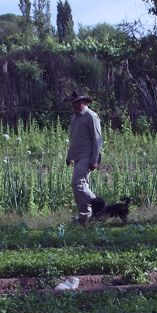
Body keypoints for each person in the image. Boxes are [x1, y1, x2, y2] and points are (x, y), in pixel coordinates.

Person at [65, 91, 102, 224]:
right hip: (78, 156)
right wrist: (69, 156)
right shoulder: (75, 117)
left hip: (88, 156)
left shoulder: (91, 116)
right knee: (79, 187)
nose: (74, 105)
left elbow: (97, 140)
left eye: (76, 103)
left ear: (83, 102)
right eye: (73, 103)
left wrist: (94, 160)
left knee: (78, 183)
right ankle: (84, 217)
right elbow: (73, 138)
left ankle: (100, 207)